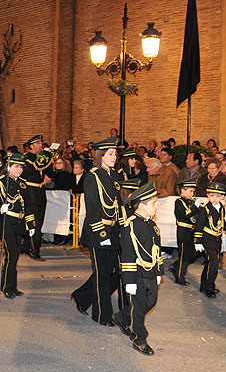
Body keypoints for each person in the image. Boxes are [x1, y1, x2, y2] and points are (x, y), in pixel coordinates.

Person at [71, 137, 124, 326]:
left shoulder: (114, 175)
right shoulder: (92, 175)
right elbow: (92, 207)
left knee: (116, 272)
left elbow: (119, 203)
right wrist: (102, 234)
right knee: (102, 274)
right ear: (100, 155)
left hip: (114, 230)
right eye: (110, 153)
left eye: (115, 153)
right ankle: (102, 315)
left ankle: (82, 296)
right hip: (98, 232)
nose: (114, 156)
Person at [115, 181, 163, 355]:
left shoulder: (152, 226)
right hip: (137, 274)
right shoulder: (131, 226)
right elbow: (127, 253)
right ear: (141, 205)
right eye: (153, 203)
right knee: (138, 306)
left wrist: (159, 271)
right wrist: (129, 280)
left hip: (150, 271)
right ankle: (139, 338)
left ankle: (121, 317)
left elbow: (157, 250)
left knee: (151, 302)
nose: (157, 205)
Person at [0, 153, 35, 298]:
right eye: (16, 166)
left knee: (14, 257)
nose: (19, 170)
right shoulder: (0, 182)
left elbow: (28, 206)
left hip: (20, 224)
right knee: (12, 255)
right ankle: (7, 287)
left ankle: (12, 287)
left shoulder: (23, 183)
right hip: (7, 223)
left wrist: (31, 224)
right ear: (8, 167)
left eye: (21, 167)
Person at [194, 182, 226, 298]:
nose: (215, 198)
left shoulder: (221, 208)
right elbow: (198, 225)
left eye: (218, 196)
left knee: (210, 263)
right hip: (207, 239)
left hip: (217, 240)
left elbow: (222, 224)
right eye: (212, 195)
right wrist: (198, 240)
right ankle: (209, 287)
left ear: (222, 197)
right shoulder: (205, 209)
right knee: (213, 263)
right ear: (207, 195)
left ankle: (204, 285)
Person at [21, 134, 56, 261]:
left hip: (41, 193)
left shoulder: (42, 159)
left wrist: (51, 162)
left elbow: (52, 174)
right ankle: (34, 250)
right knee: (34, 223)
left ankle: (26, 246)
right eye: (38, 144)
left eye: (41, 143)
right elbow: (29, 171)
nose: (41, 146)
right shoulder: (27, 158)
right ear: (32, 146)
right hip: (30, 193)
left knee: (39, 223)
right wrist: (42, 160)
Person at [170, 178, 199, 285]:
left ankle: (175, 266)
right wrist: (195, 208)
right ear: (182, 191)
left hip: (191, 230)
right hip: (183, 230)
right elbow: (184, 215)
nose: (192, 193)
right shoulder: (179, 201)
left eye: (193, 191)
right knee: (183, 254)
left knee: (192, 254)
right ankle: (179, 277)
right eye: (190, 191)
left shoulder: (191, 202)